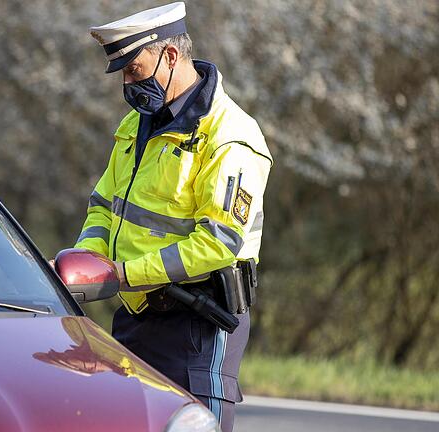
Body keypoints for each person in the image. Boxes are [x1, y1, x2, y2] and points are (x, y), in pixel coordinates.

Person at [72, 3, 272, 431]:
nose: (128, 83)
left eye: (135, 69)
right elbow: (104, 206)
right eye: (122, 73)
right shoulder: (137, 123)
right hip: (135, 316)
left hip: (198, 324)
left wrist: (122, 274)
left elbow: (217, 243)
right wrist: (87, 260)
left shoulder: (229, 135)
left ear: (170, 56)